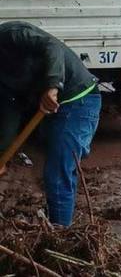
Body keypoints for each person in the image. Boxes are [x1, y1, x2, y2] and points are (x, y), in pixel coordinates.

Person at [0, 22, 101, 227]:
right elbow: (9, 114)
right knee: (55, 167)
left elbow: (52, 46)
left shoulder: (11, 35)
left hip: (77, 99)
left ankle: (61, 239)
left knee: (57, 172)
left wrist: (52, 85)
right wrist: (2, 154)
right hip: (44, 109)